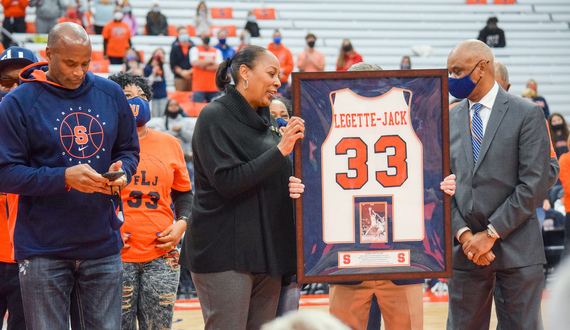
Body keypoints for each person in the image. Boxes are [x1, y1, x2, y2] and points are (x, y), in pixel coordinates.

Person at [0, 22, 140, 330]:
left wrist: (123, 170)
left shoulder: (110, 93)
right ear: (48, 54)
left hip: (102, 245)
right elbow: (6, 173)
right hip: (42, 250)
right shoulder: (18, 102)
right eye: (70, 63)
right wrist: (63, 177)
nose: (79, 72)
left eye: (86, 63)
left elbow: (129, 150)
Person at [179, 45, 305, 329]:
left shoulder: (268, 120)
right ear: (245, 73)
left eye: (279, 75)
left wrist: (292, 181)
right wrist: (281, 151)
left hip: (266, 252)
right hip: (223, 252)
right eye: (271, 73)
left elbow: (270, 174)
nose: (277, 82)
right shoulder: (214, 116)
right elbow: (228, 182)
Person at [446, 39, 551, 329]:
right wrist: (466, 236)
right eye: (450, 72)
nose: (451, 79)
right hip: (465, 251)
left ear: (482, 68)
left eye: (457, 71)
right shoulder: (447, 116)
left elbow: (534, 183)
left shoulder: (527, 113)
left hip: (517, 247)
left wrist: (491, 233)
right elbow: (439, 186)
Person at [328, 62, 424, 330]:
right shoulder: (327, 120)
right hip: (349, 258)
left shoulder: (411, 116)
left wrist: (443, 183)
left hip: (401, 256)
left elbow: (430, 173)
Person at [108, 71, 192, 330]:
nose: (137, 101)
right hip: (117, 254)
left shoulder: (170, 143)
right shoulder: (103, 144)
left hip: (163, 254)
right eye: (129, 96)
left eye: (143, 96)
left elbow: (184, 192)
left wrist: (182, 223)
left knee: (159, 327)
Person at [0, 46, 38, 330]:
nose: (13, 89)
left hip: (30, 257)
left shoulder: (49, 131)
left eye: (21, 81)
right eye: (5, 82)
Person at [189, 32, 222, 103]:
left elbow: (219, 66)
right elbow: (194, 62)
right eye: (204, 36)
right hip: (199, 87)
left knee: (213, 111)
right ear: (201, 37)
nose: (206, 37)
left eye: (208, 35)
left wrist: (203, 66)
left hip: (213, 87)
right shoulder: (195, 49)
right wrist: (211, 62)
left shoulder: (216, 51)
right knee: (198, 110)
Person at [267, 30, 293, 95]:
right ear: (273, 37)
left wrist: (283, 70)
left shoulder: (286, 51)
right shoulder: (268, 51)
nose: (277, 37)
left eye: (278, 36)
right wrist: (276, 72)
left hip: (283, 82)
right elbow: (265, 65)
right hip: (271, 82)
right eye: (275, 36)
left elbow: (290, 65)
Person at [144, 48, 168, 117]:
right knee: (155, 116)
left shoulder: (163, 67)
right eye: (157, 53)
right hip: (153, 97)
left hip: (163, 96)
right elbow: (147, 83)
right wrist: (153, 73)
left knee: (163, 115)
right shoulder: (148, 68)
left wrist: (164, 62)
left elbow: (168, 75)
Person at [170, 27, 194, 91]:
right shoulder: (174, 46)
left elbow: (196, 61)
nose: (184, 35)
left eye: (185, 33)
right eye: (182, 33)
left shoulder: (193, 46)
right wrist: (182, 73)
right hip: (179, 77)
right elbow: (173, 63)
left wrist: (189, 72)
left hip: (192, 76)